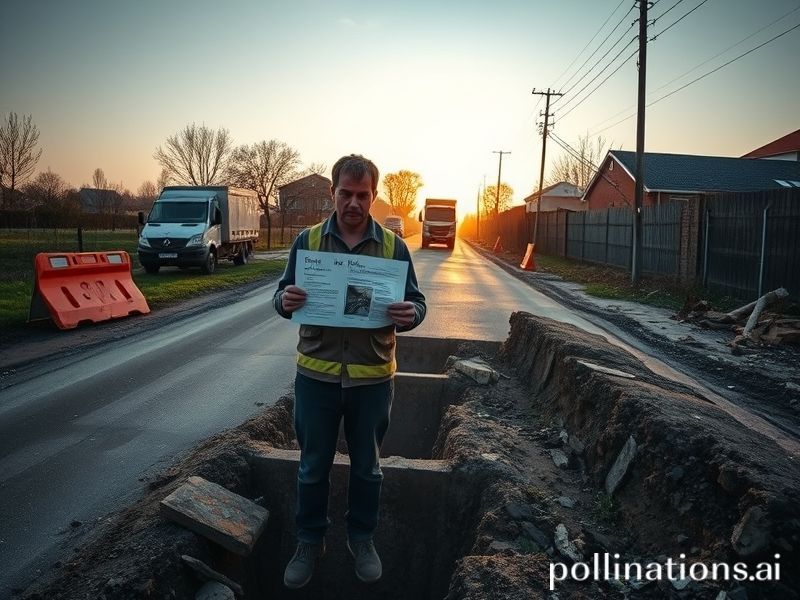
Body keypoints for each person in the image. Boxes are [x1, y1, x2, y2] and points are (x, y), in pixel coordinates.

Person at [273, 154, 427, 588]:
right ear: (333, 193)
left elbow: (418, 302)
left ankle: (362, 538)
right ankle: (309, 540)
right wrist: (283, 303)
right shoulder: (308, 241)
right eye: (346, 193)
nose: (354, 202)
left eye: (363, 195)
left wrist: (409, 313)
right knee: (312, 466)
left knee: (367, 468)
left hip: (372, 379)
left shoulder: (394, 247)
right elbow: (282, 293)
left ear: (373, 196)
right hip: (316, 379)